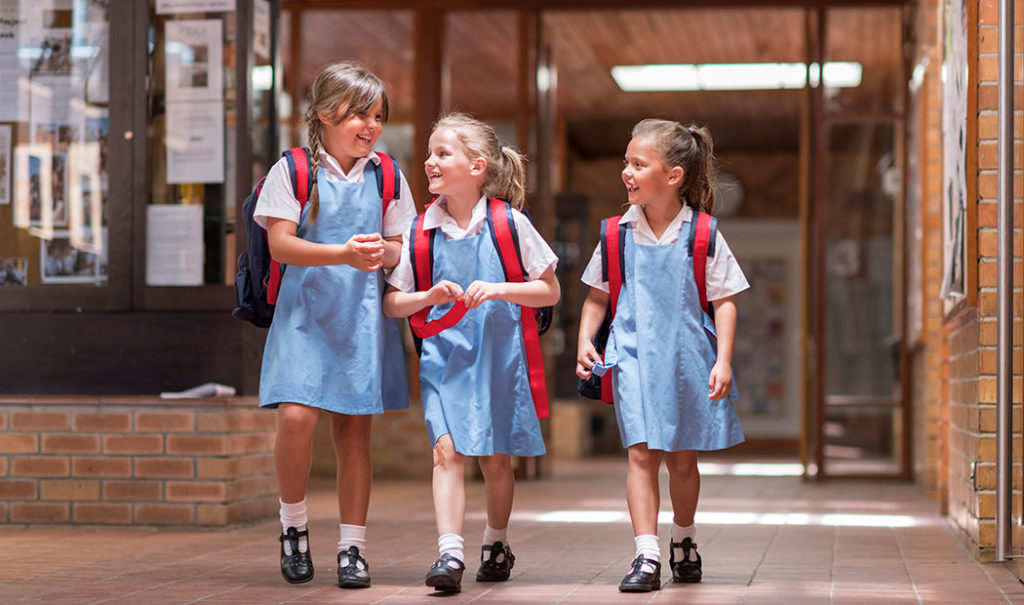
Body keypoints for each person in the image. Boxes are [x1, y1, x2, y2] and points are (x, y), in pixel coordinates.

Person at [382, 113, 560, 594]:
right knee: (447, 454)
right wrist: (426, 297)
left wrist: (500, 289)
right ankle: (450, 554)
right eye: (429, 153)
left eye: (443, 153)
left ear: (477, 166)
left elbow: (549, 291)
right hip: (443, 362)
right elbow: (393, 303)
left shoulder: (509, 223)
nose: (430, 161)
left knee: (495, 461)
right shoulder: (420, 230)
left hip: (499, 359)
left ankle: (496, 541)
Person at [254, 61, 416, 589]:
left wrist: (383, 253)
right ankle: (294, 527)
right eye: (357, 115)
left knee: (353, 432)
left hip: (361, 320)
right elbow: (280, 243)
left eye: (377, 116)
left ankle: (352, 547)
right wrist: (343, 255)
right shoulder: (294, 170)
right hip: (303, 317)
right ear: (325, 114)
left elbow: (404, 247)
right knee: (296, 419)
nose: (369, 126)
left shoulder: (388, 174)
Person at [575, 118, 748, 593]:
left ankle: (684, 539)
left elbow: (725, 300)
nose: (626, 172)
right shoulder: (616, 234)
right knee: (641, 455)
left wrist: (723, 360)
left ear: (672, 176)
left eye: (638, 163)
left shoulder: (704, 234)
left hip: (687, 361)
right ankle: (646, 556)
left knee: (682, 461)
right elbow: (597, 297)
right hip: (631, 358)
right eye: (625, 163)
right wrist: (586, 340)